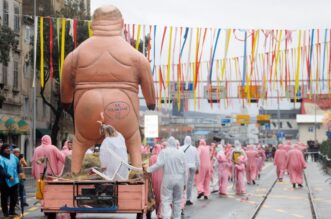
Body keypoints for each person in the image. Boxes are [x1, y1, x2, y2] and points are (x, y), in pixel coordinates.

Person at [144, 137, 186, 219]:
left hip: (168, 178)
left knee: (166, 200)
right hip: (180, 179)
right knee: (177, 201)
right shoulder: (181, 153)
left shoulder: (164, 152)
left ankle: (166, 217)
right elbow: (184, 168)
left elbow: (159, 164)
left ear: (168, 144)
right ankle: (177, 217)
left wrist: (148, 170)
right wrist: (184, 182)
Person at [0, 144, 21, 217]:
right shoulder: (0, 158)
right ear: (3, 150)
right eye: (6, 148)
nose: (8, 149)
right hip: (4, 181)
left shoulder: (13, 156)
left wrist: (20, 172)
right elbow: (1, 170)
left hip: (14, 180)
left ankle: (12, 211)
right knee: (4, 198)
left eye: (9, 148)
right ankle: (5, 212)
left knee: (14, 197)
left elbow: (18, 165)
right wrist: (8, 176)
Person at [179, 136, 200, 206]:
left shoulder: (181, 148)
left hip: (184, 167)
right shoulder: (194, 149)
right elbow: (197, 160)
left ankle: (182, 200)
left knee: (183, 183)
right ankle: (188, 199)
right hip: (192, 167)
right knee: (190, 184)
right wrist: (197, 168)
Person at [149, 144, 163, 219]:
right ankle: (160, 213)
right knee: (161, 196)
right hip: (162, 179)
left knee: (155, 195)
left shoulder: (151, 158)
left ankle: (157, 210)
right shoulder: (163, 157)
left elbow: (149, 169)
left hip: (153, 179)